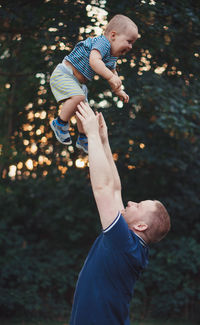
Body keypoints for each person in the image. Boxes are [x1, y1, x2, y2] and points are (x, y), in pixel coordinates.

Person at [69, 101, 171, 325]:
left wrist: (93, 135)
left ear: (141, 226)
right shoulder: (131, 243)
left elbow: (102, 188)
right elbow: (115, 188)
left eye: (138, 206)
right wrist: (104, 142)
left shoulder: (122, 243)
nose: (131, 202)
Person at [49, 14, 138, 153]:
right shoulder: (103, 43)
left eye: (132, 43)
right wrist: (110, 77)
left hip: (78, 83)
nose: (131, 46)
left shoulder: (112, 56)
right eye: (129, 41)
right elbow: (94, 61)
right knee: (78, 98)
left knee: (85, 111)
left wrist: (118, 90)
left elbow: (113, 74)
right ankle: (60, 123)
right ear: (113, 35)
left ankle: (83, 138)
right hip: (64, 74)